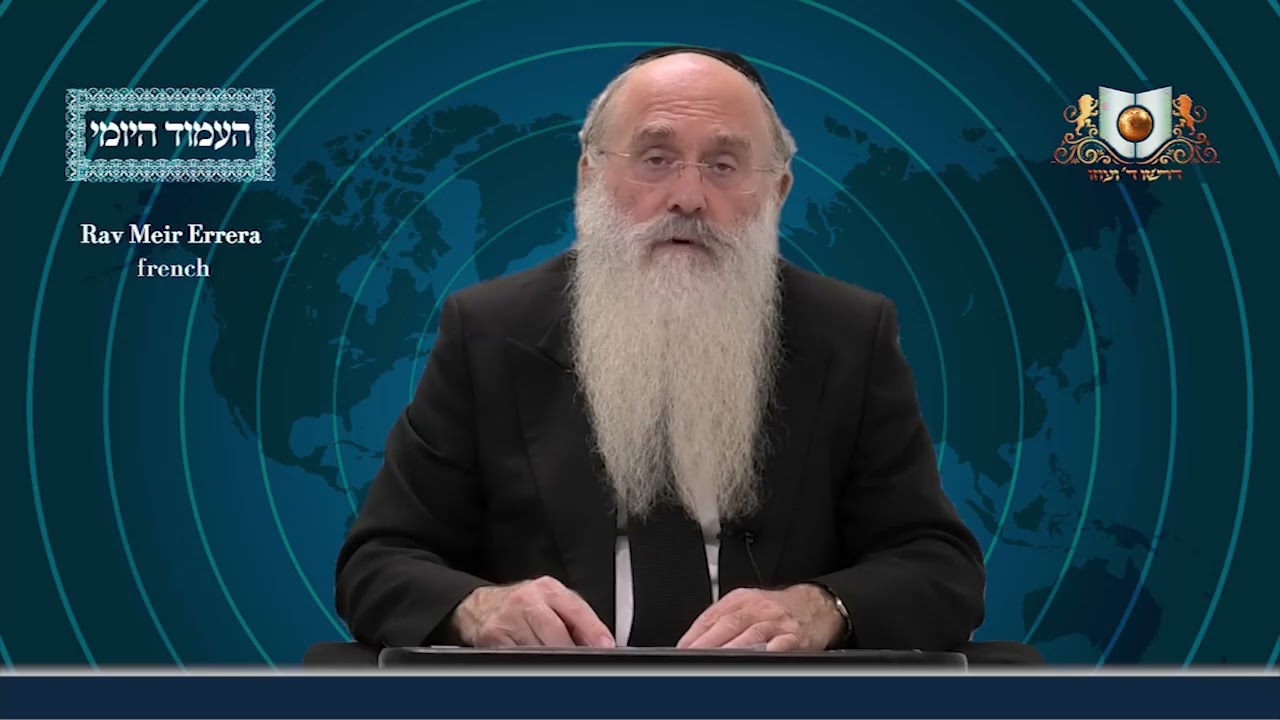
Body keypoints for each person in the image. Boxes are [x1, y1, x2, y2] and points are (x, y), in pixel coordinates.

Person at [334, 45, 985, 652]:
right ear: (589, 176)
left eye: (724, 166)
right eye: (655, 158)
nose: (689, 197)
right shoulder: (487, 330)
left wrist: (824, 606)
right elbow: (379, 562)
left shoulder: (850, 334)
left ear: (777, 192)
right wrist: (477, 608)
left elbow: (940, 566)